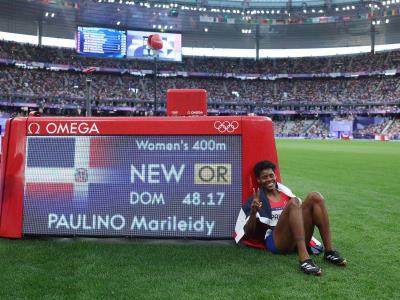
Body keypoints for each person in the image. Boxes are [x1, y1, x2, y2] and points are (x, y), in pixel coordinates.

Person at [235, 160, 347, 276]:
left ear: (275, 175)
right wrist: (253, 212)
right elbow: (248, 232)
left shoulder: (285, 192)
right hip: (277, 241)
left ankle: (329, 252)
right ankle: (304, 259)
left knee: (315, 196)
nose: (269, 179)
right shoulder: (257, 199)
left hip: (295, 236)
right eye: (264, 177)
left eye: (271, 175)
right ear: (258, 180)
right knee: (294, 203)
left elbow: (301, 212)